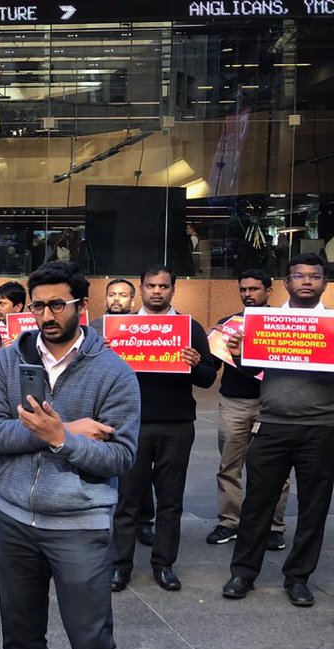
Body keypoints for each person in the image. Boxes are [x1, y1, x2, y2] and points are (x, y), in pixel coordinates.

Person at [0, 261, 153, 649]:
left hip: (80, 525)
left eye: (58, 304)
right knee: (22, 641)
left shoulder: (113, 371)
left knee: (93, 644)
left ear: (83, 305)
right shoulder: (7, 362)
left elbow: (121, 457)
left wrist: (60, 440)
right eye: (39, 305)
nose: (47, 315)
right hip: (13, 521)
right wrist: (62, 430)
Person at [224, 254, 334, 608]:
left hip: (321, 428)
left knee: (314, 508)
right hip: (272, 424)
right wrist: (241, 354)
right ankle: (243, 573)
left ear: (324, 283)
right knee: (258, 503)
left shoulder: (332, 325)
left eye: (313, 277)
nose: (306, 282)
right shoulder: (266, 322)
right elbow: (251, 370)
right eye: (298, 276)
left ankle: (298, 577)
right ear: (286, 283)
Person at [110, 265, 216, 593]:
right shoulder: (119, 328)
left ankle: (164, 564)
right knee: (128, 500)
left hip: (177, 425)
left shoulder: (190, 328)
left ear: (173, 289)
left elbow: (208, 378)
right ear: (140, 289)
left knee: (170, 501)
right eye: (151, 285)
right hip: (132, 425)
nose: (157, 291)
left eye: (164, 286)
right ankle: (120, 566)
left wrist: (196, 363)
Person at [208, 269, 290, 548]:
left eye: (254, 289)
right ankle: (229, 522)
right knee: (229, 466)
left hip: (274, 403)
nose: (248, 294)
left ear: (269, 290)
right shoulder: (226, 324)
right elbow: (209, 370)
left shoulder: (282, 324)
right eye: (243, 290)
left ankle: (274, 526)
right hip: (235, 402)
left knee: (276, 468)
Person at [104, 278, 153, 546]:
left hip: (135, 403)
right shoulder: (94, 327)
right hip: (103, 404)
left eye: (123, 295)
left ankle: (144, 520)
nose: (117, 299)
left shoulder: (141, 326)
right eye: (112, 294)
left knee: (137, 468)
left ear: (132, 301)